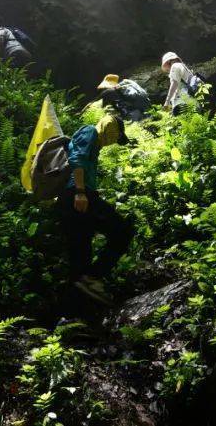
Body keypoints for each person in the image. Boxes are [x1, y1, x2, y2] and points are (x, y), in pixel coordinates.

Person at [59, 114, 134, 305]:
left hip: (77, 196)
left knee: (81, 250)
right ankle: (92, 278)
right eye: (116, 135)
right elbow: (77, 159)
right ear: (109, 126)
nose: (114, 140)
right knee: (122, 231)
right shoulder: (90, 131)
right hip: (78, 196)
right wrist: (81, 191)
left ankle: (76, 311)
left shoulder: (96, 143)